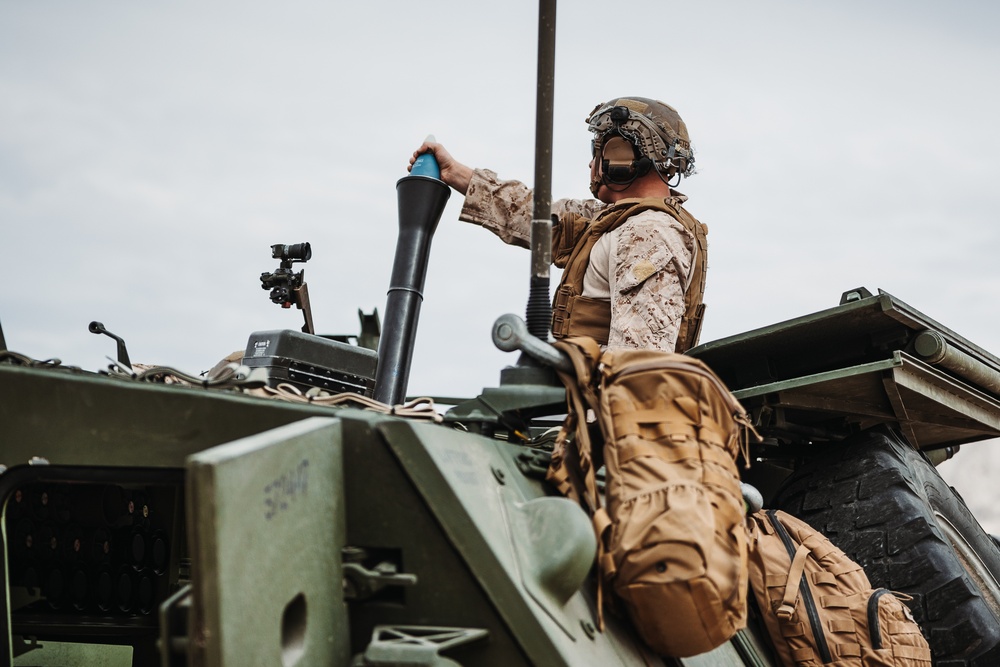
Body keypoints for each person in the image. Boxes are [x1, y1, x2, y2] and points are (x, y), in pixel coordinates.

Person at [410, 96, 708, 352]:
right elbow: (535, 215)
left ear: (621, 156)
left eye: (598, 151)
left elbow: (638, 362)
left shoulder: (649, 233)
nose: (591, 165)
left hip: (605, 414)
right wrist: (455, 173)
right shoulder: (614, 221)